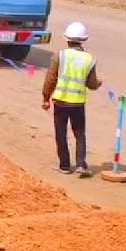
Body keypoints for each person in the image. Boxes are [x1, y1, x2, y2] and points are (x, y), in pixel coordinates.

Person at [41, 21, 102, 176]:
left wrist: (45, 98)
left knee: (61, 133)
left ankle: (65, 166)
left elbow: (51, 79)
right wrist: (99, 83)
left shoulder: (60, 56)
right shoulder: (89, 59)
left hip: (60, 102)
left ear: (67, 39)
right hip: (78, 103)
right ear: (83, 40)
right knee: (79, 133)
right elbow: (92, 84)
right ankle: (81, 164)